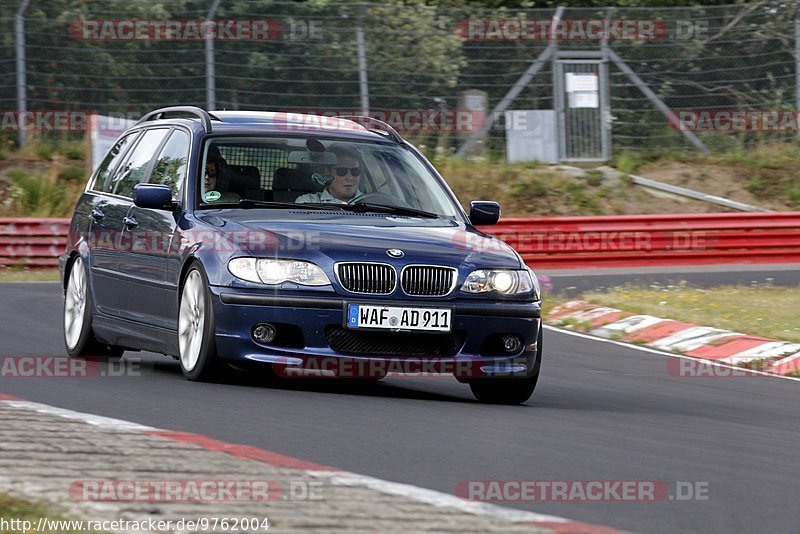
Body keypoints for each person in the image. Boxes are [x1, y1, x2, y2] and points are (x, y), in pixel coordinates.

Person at [295, 145, 365, 204]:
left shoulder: (371, 202)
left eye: (355, 171)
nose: (350, 177)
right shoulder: (308, 202)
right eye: (341, 171)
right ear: (327, 173)